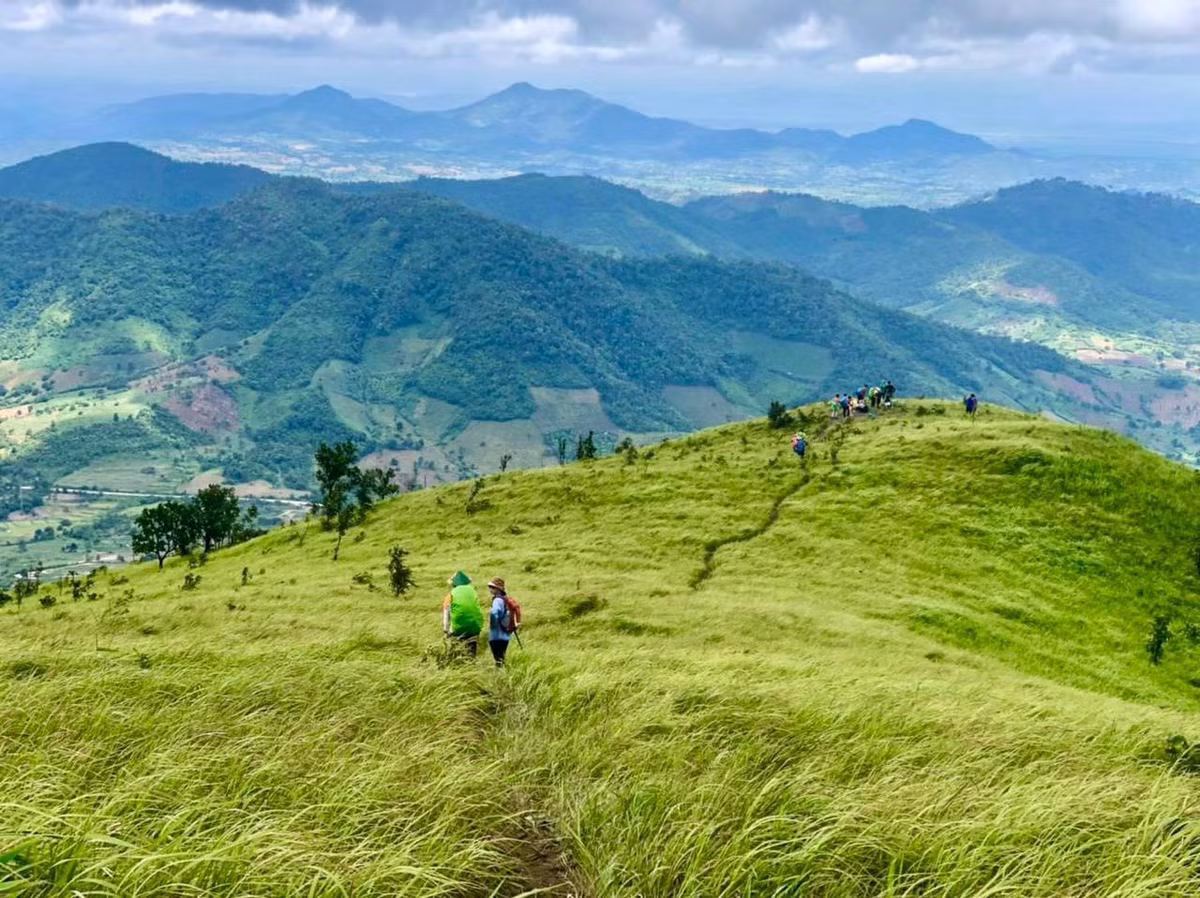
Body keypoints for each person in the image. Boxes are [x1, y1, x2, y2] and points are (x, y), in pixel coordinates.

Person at [442, 571, 483, 658]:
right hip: (474, 627)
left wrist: (446, 630)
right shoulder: (473, 592)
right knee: (471, 653)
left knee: (457, 653)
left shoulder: (450, 595)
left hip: (458, 629)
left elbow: (446, 614)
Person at [486, 577, 514, 667]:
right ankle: (503, 672)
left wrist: (492, 625)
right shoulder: (505, 599)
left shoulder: (497, 600)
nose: (490, 589)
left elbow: (494, 612)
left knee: (498, 659)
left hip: (496, 635)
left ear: (498, 589)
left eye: (492, 587)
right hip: (506, 635)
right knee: (502, 658)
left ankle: (500, 673)